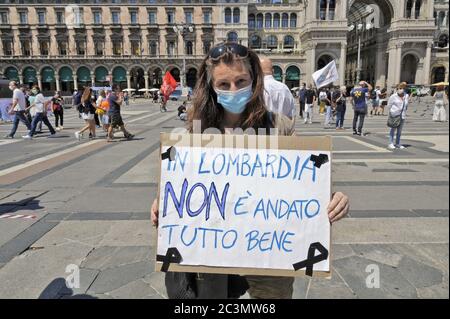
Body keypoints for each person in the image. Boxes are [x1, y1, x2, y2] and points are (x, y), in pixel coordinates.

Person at [150, 42, 349, 299]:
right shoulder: (196, 130)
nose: (234, 90)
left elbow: (308, 185)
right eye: (223, 84)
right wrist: (163, 201)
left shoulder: (281, 126)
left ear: (254, 81)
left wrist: (335, 200)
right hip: (213, 242)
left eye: (241, 81)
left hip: (270, 248)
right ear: (211, 87)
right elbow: (181, 182)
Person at [387, 82, 409, 150]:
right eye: (399, 88)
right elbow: (389, 105)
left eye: (402, 88)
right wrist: (392, 112)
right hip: (395, 115)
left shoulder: (406, 96)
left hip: (402, 115)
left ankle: (397, 143)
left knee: (399, 131)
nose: (401, 89)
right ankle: (390, 143)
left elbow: (406, 105)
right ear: (397, 89)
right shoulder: (393, 96)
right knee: (393, 129)